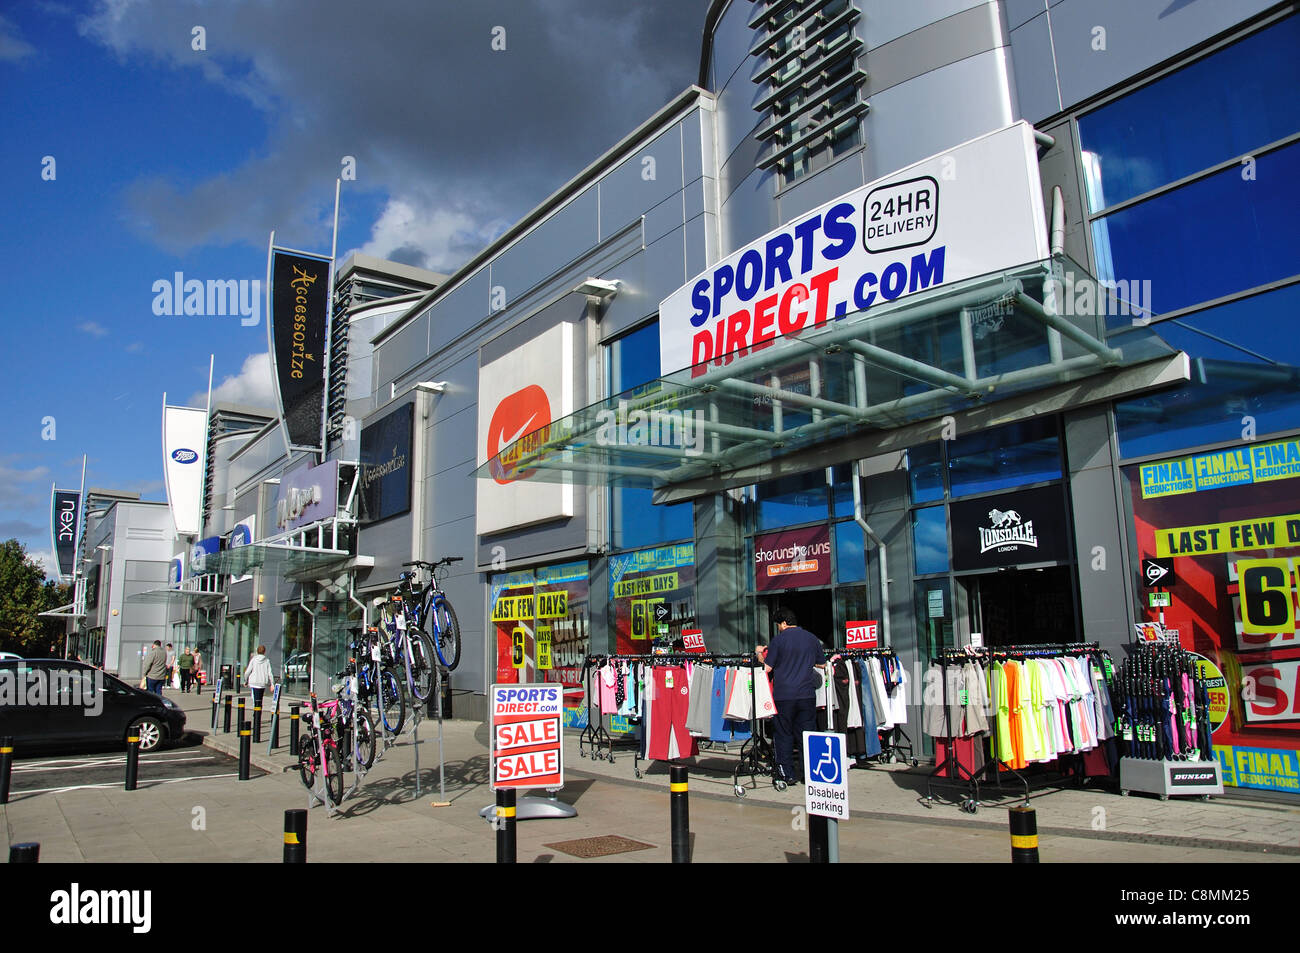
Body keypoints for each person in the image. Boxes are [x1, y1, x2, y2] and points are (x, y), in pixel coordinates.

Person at [759, 608, 825, 784]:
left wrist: (760, 654)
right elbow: (822, 664)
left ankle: (787, 774)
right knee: (807, 735)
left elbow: (767, 668)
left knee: (783, 735)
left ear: (784, 623)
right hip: (806, 695)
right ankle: (810, 774)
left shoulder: (778, 641)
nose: (779, 628)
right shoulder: (812, 639)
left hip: (784, 695)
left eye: (778, 625)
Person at [243, 645, 275, 715]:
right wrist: (272, 684)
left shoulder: (253, 660)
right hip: (262, 683)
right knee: (260, 699)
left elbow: (247, 672)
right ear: (264, 652)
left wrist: (245, 680)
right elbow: (270, 673)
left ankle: (256, 713)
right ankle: (258, 713)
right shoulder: (267, 660)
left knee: (255, 699)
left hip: (254, 682)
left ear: (257, 651)